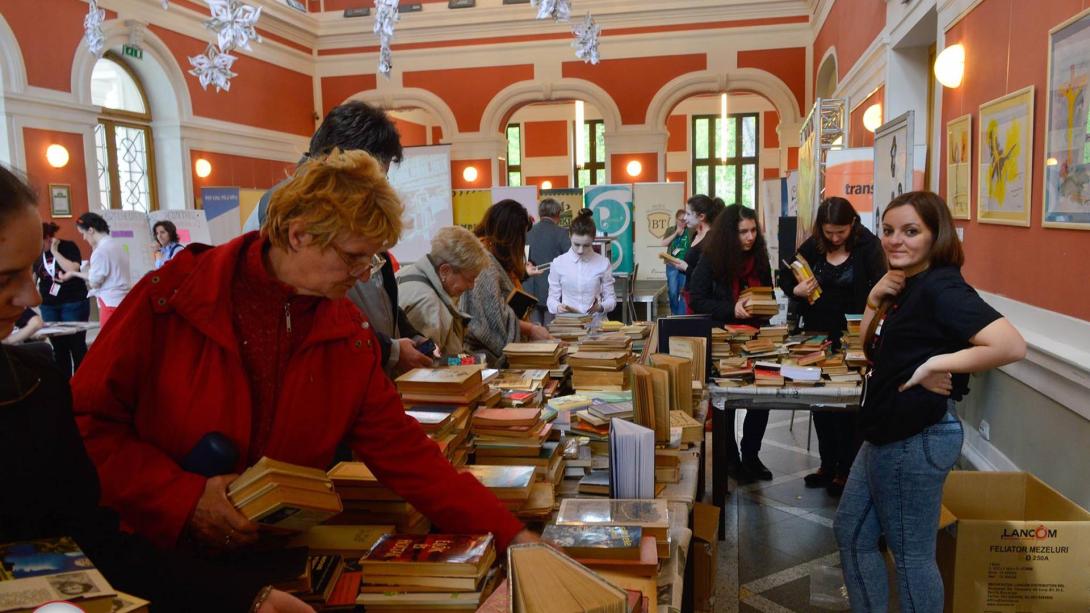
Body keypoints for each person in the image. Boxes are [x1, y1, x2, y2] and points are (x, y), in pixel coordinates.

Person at [72, 150, 537, 560]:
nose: (361, 276)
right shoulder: (171, 298)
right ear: (298, 235)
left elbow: (411, 457)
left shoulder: (345, 334)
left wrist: (514, 537)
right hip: (153, 557)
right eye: (354, 257)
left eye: (371, 261)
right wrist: (182, 498)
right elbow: (86, 426)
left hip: (270, 559)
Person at [0, 164, 315, 612]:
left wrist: (248, 598)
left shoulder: (34, 384)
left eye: (29, 272)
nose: (31, 297)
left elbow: (97, 542)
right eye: (4, 279)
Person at [834, 191, 1025, 613]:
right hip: (885, 433)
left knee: (912, 558)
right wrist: (874, 298)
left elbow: (1010, 345)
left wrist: (935, 363)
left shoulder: (942, 287)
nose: (894, 240)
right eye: (887, 231)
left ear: (936, 235)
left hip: (915, 438)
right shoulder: (906, 284)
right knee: (850, 534)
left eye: (910, 231)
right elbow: (871, 350)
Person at [262, 101, 432, 376]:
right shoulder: (291, 208)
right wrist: (389, 350)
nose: (363, 273)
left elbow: (375, 298)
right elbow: (313, 328)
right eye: (375, 177)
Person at [779, 197, 886, 495]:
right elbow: (787, 277)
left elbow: (881, 286)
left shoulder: (869, 247)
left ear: (852, 224)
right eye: (829, 232)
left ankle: (847, 468)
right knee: (821, 403)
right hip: (815, 331)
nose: (835, 238)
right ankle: (828, 464)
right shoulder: (815, 245)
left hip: (853, 333)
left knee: (850, 404)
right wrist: (796, 290)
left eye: (840, 232)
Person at [689, 204, 775, 481]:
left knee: (762, 399)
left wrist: (763, 306)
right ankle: (731, 458)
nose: (750, 237)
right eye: (743, 232)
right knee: (726, 401)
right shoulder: (710, 258)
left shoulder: (760, 257)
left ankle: (751, 455)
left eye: (753, 231)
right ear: (729, 234)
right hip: (724, 338)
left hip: (757, 336)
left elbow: (769, 293)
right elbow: (698, 299)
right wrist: (732, 309)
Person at [461, 199, 552, 366]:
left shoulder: (491, 257)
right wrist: (531, 330)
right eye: (521, 236)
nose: (522, 243)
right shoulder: (484, 263)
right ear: (509, 236)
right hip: (484, 360)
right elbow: (492, 320)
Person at [397, 226, 490, 357]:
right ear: (445, 271)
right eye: (469, 279)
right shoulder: (430, 306)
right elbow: (426, 368)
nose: (471, 286)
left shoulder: (404, 273)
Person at [56, 213, 131, 329]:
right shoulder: (118, 245)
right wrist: (73, 273)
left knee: (109, 343)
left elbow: (94, 282)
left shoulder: (100, 252)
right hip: (124, 302)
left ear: (91, 230)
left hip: (110, 304)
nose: (84, 238)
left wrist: (89, 271)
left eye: (83, 234)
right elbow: (105, 275)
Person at [35, 222, 89, 377]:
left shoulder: (67, 246)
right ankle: (63, 384)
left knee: (76, 345)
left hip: (73, 302)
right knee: (58, 348)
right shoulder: (36, 253)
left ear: (47, 237)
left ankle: (80, 382)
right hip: (49, 305)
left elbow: (72, 269)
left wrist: (54, 251)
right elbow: (34, 277)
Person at [547, 209, 616, 325]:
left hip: (596, 325)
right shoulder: (558, 263)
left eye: (586, 245)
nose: (580, 250)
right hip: (568, 326)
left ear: (594, 240)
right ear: (569, 236)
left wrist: (600, 307)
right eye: (576, 244)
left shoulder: (603, 263)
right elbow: (551, 300)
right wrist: (559, 307)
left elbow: (611, 300)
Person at [673, 195, 724, 313]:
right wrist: (681, 267)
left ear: (701, 216)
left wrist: (685, 268)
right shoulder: (696, 235)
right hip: (690, 294)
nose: (685, 218)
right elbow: (694, 265)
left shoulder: (712, 239)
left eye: (689, 214)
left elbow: (710, 276)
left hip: (703, 299)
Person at [525, 198, 571, 326]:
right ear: (558, 214)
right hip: (553, 290)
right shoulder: (562, 233)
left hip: (530, 290)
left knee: (534, 332)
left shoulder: (528, 233)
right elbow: (569, 259)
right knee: (552, 333)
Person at [659, 208, 692, 315]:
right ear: (676, 219)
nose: (683, 223)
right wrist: (676, 234)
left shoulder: (690, 231)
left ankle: (680, 317)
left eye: (685, 220)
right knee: (673, 292)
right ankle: (674, 313)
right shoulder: (670, 230)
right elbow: (663, 243)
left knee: (683, 292)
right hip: (672, 265)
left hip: (684, 266)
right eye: (681, 220)